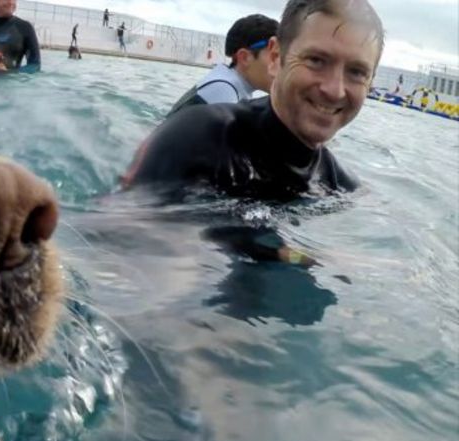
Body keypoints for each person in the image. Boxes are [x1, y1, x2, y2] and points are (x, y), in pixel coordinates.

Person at [122, 0, 384, 263]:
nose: (335, 90)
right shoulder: (197, 135)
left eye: (356, 72)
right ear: (275, 58)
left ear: (370, 83)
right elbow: (117, 234)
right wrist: (290, 255)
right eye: (316, 60)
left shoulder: (339, 184)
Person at [166, 14, 278, 117]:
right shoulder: (224, 91)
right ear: (245, 57)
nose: (282, 65)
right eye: (275, 56)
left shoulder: (230, 86)